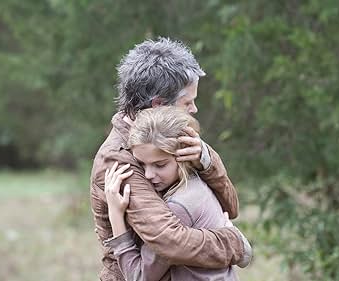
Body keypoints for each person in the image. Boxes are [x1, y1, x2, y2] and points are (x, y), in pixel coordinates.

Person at [90, 37, 251, 280]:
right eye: (187, 102)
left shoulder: (171, 138)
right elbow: (170, 242)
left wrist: (205, 158)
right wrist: (234, 243)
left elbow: (230, 206)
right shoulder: (119, 159)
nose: (194, 109)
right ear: (159, 105)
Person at [104, 106, 251, 280]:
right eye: (141, 164)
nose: (148, 175)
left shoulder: (179, 206)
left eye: (160, 165)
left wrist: (115, 216)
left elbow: (140, 276)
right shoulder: (200, 184)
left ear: (182, 156)